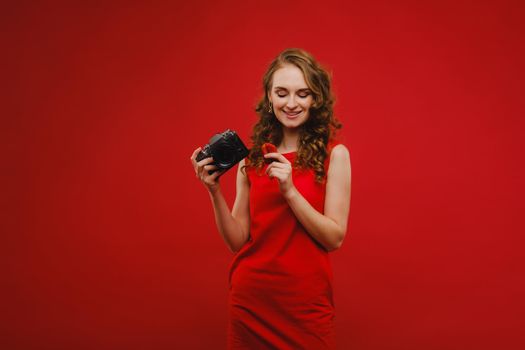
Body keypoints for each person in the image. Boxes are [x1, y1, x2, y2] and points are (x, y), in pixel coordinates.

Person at [190, 48, 351, 349]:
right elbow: (237, 241)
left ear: (316, 99)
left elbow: (334, 237)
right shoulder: (251, 159)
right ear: (269, 97)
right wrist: (213, 191)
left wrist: (289, 191)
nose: (291, 103)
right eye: (282, 93)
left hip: (305, 306)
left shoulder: (335, 155)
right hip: (251, 303)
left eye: (302, 94)